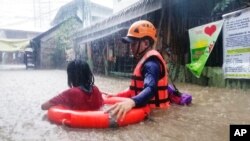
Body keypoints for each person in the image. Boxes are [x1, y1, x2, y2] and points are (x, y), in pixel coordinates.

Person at [105, 20, 170, 121]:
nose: (131, 48)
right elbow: (135, 88)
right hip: (149, 110)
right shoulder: (146, 60)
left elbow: (151, 88)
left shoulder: (151, 64)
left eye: (134, 44)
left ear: (146, 43)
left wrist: (131, 102)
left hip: (155, 115)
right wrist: (116, 95)